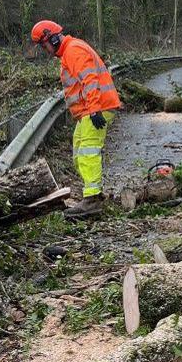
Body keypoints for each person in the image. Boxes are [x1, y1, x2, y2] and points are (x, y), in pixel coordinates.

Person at [31, 19, 121, 218]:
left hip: (96, 108)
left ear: (53, 39)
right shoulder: (69, 51)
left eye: (44, 44)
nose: (44, 50)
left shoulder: (73, 50)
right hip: (90, 110)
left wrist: (95, 109)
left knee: (88, 152)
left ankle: (92, 200)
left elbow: (90, 80)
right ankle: (92, 195)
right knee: (79, 152)